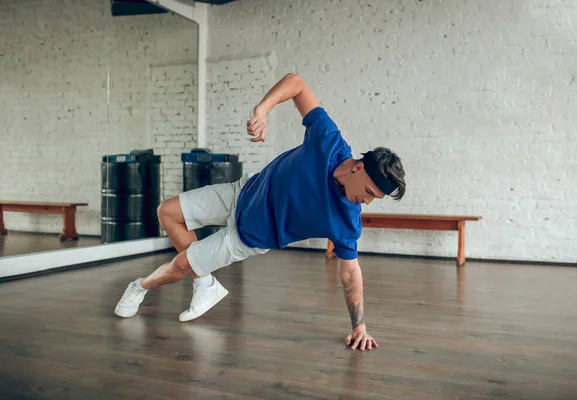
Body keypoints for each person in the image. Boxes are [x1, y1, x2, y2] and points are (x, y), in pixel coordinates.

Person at [114, 73, 406, 351]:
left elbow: (351, 272)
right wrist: (262, 111)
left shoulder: (346, 221)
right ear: (358, 168)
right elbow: (297, 83)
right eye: (369, 191)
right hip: (242, 192)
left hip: (246, 235)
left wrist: (360, 326)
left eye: (375, 198)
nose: (368, 201)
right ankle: (205, 283)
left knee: (181, 265)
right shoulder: (328, 142)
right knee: (167, 211)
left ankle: (138, 287)